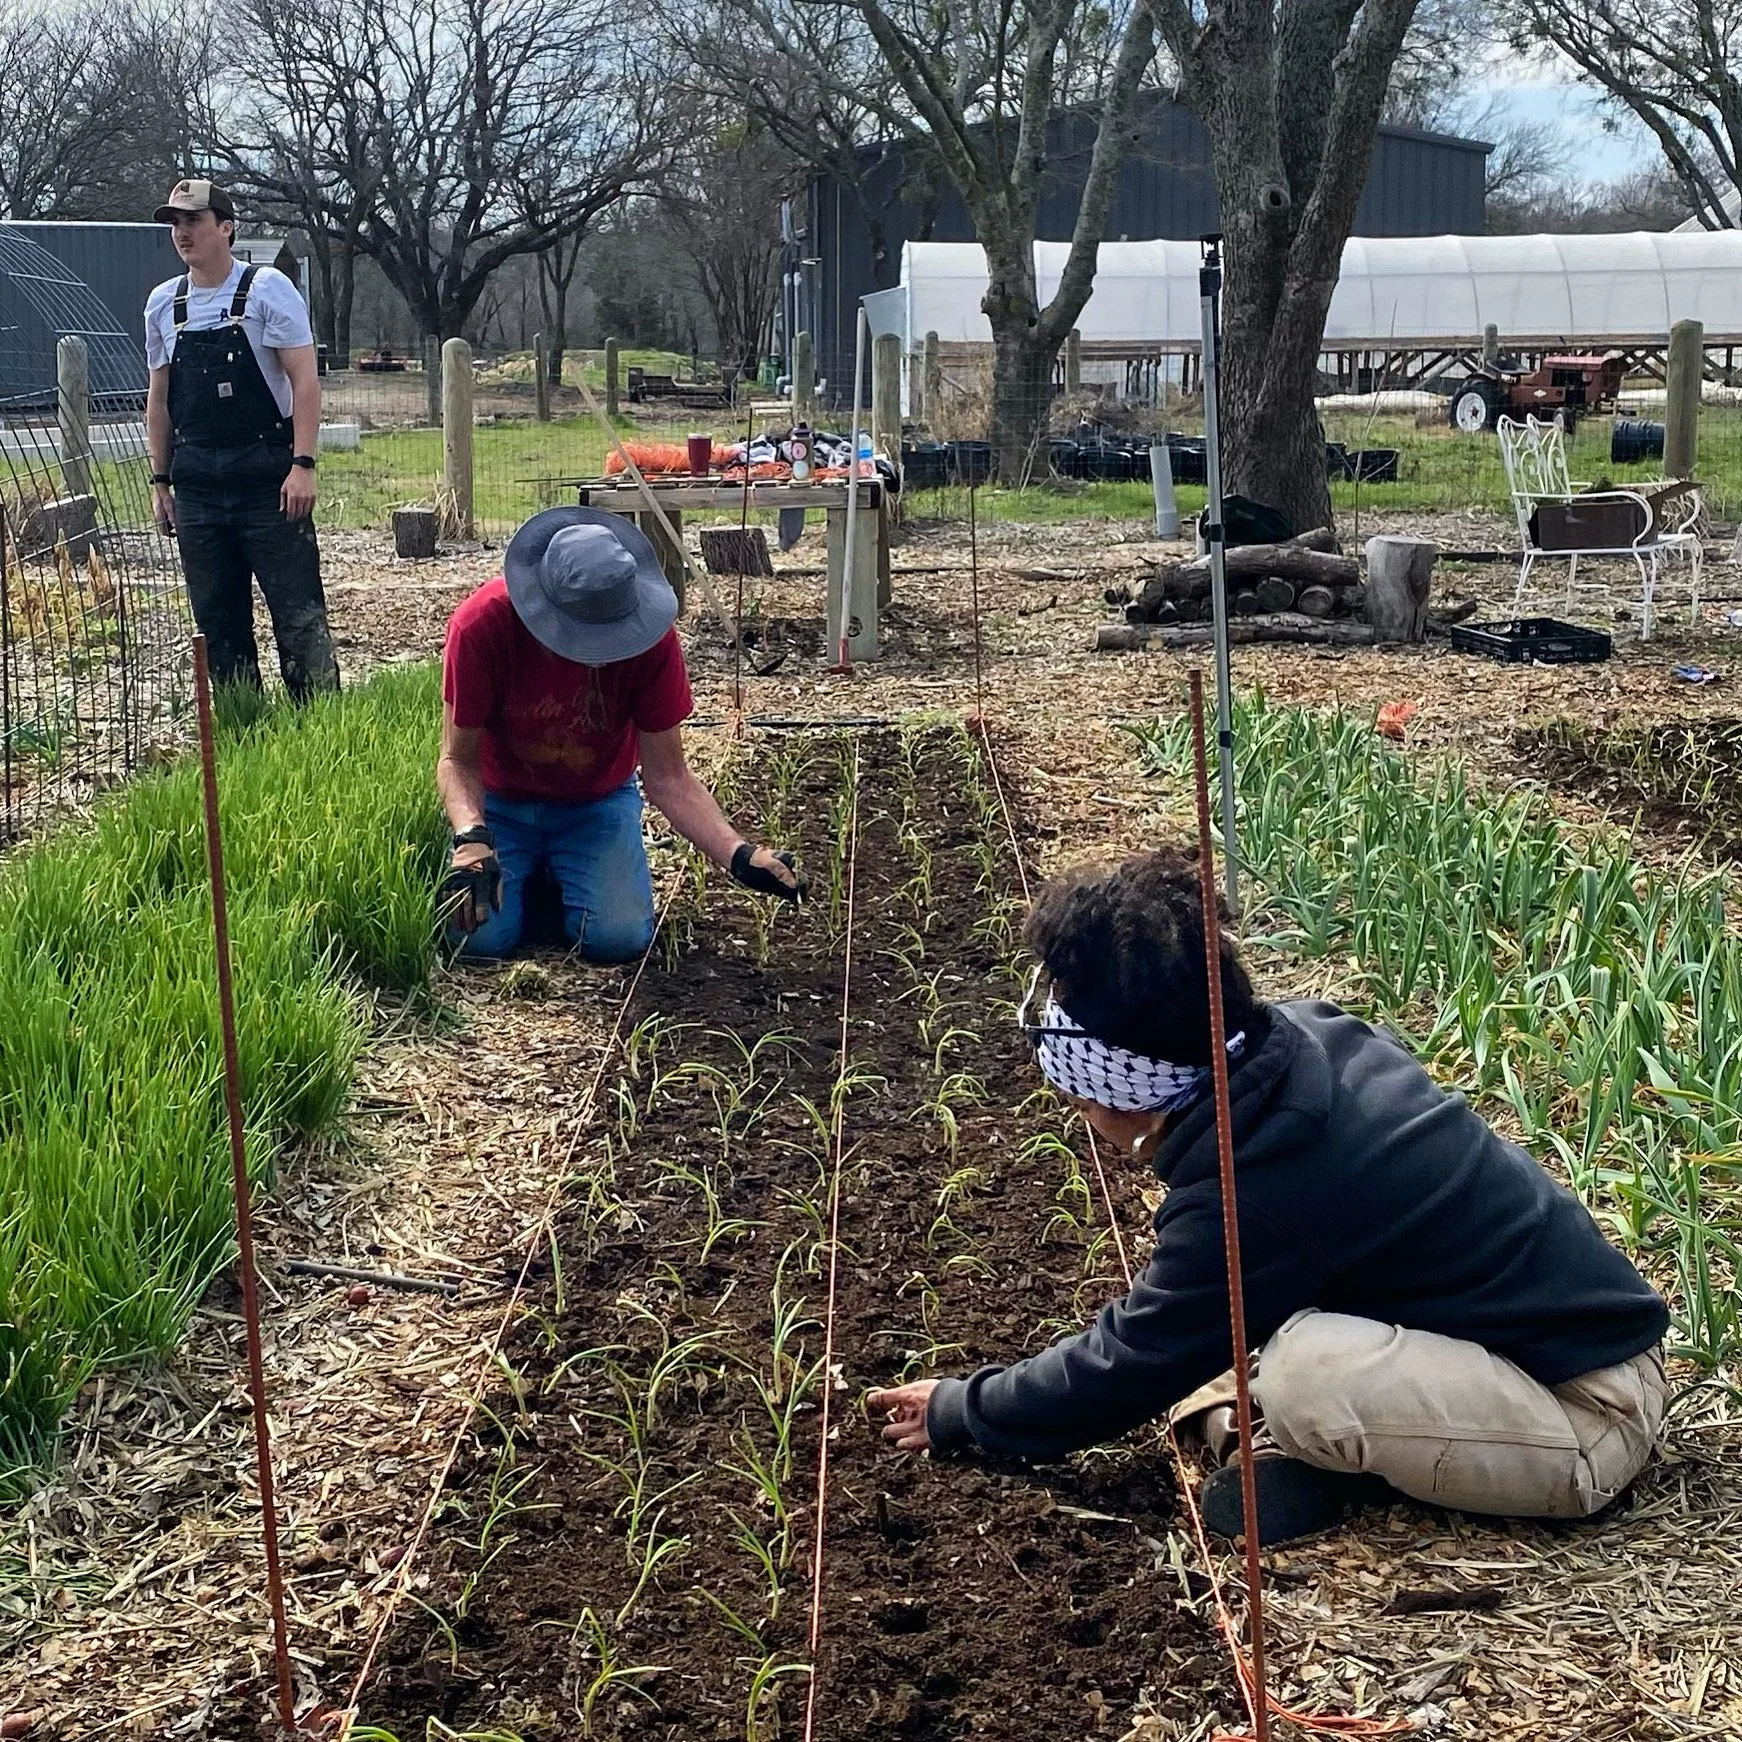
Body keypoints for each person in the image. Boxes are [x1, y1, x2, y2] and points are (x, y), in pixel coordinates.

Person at [869, 850, 1670, 1546]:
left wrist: (962, 1409)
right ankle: (1327, 1450)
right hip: (1495, 1344)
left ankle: (1329, 1460)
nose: (1082, 1118)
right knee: (1237, 1335)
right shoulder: (1300, 1039)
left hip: (1582, 1410)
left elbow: (1128, 1362)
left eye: (1081, 1101)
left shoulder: (1262, 1188)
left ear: (1130, 1101)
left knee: (1301, 1376)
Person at [438, 505, 803, 959]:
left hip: (595, 804)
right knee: (475, 942)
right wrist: (471, 835)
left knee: (619, 939)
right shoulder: (482, 626)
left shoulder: (651, 641)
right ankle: (535, 881)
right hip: (501, 805)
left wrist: (739, 855)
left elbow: (669, 778)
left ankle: (554, 880)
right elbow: (457, 760)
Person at [144, 178, 339, 701]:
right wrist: (160, 481)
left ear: (226, 228)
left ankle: (319, 719)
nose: (182, 233)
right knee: (217, 621)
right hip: (198, 487)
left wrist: (303, 464)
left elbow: (305, 380)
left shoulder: (268, 289)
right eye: (175, 223)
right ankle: (239, 719)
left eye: (194, 221)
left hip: (268, 481)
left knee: (297, 612)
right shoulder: (163, 305)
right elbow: (159, 399)